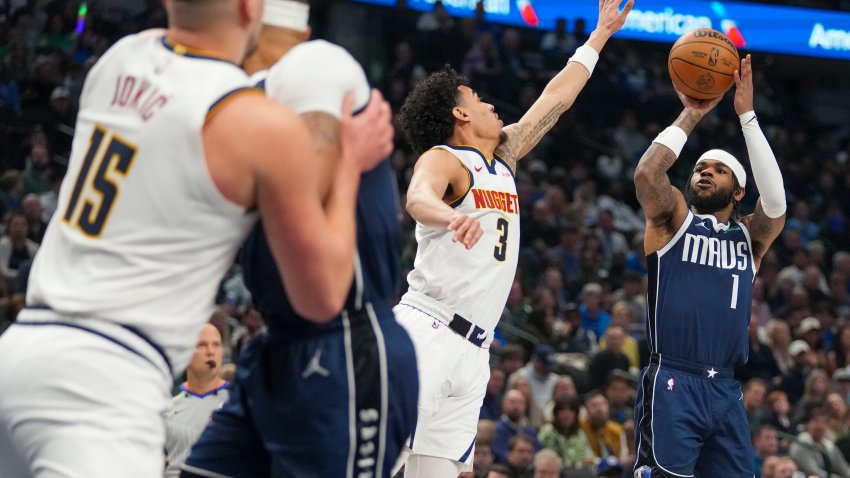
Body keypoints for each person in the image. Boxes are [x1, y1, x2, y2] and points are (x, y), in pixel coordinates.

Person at [0, 0, 394, 475]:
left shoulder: (118, 60)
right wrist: (349, 163)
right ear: (252, 8)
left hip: (22, 347)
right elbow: (323, 295)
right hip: (103, 383)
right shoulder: (255, 124)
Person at [391, 1, 634, 475]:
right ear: (460, 114)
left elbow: (556, 99)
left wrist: (600, 36)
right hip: (428, 331)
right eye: (478, 98)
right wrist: (448, 216)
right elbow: (418, 198)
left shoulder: (505, 155)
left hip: (475, 350)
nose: (490, 103)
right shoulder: (444, 158)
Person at [182, 2, 417, 477]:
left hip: (346, 343)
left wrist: (346, 166)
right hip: (276, 344)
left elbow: (305, 220)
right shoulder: (238, 101)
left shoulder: (312, 65)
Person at [632, 54, 787, 477]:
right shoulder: (673, 220)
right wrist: (692, 112)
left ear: (738, 192)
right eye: (700, 168)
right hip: (673, 378)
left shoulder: (749, 239)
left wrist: (748, 117)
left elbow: (776, 205)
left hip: (725, 388)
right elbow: (647, 176)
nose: (704, 173)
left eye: (718, 171)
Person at [165, 324, 231, 478]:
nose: (210, 352)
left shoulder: (238, 404)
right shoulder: (167, 410)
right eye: (201, 345)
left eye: (216, 345)